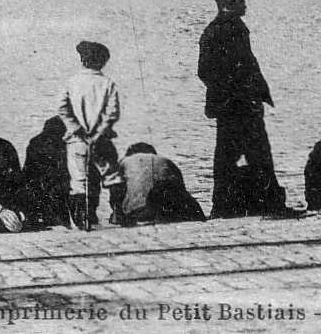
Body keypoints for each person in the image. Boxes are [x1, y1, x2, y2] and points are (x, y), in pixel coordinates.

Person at [197, 0, 288, 218]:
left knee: (235, 156)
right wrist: (239, 96)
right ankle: (270, 205)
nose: (245, 3)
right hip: (237, 107)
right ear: (229, 3)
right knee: (252, 155)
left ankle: (224, 207)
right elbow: (207, 71)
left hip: (236, 106)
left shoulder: (230, 27)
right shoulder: (222, 30)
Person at [56, 40, 125, 230]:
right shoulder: (107, 83)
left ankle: (83, 219)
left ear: (82, 60)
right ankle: (118, 213)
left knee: (79, 181)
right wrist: (98, 132)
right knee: (112, 176)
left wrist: (76, 128)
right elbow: (112, 113)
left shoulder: (72, 82)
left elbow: (62, 108)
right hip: (101, 140)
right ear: (102, 62)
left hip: (77, 140)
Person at [117, 143, 206, 223]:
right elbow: (181, 189)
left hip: (141, 211)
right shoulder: (167, 161)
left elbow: (116, 193)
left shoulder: (124, 162)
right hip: (179, 208)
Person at [20, 116, 71, 229]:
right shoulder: (58, 144)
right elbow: (61, 170)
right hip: (48, 183)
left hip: (34, 182)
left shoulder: (35, 143)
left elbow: (28, 168)